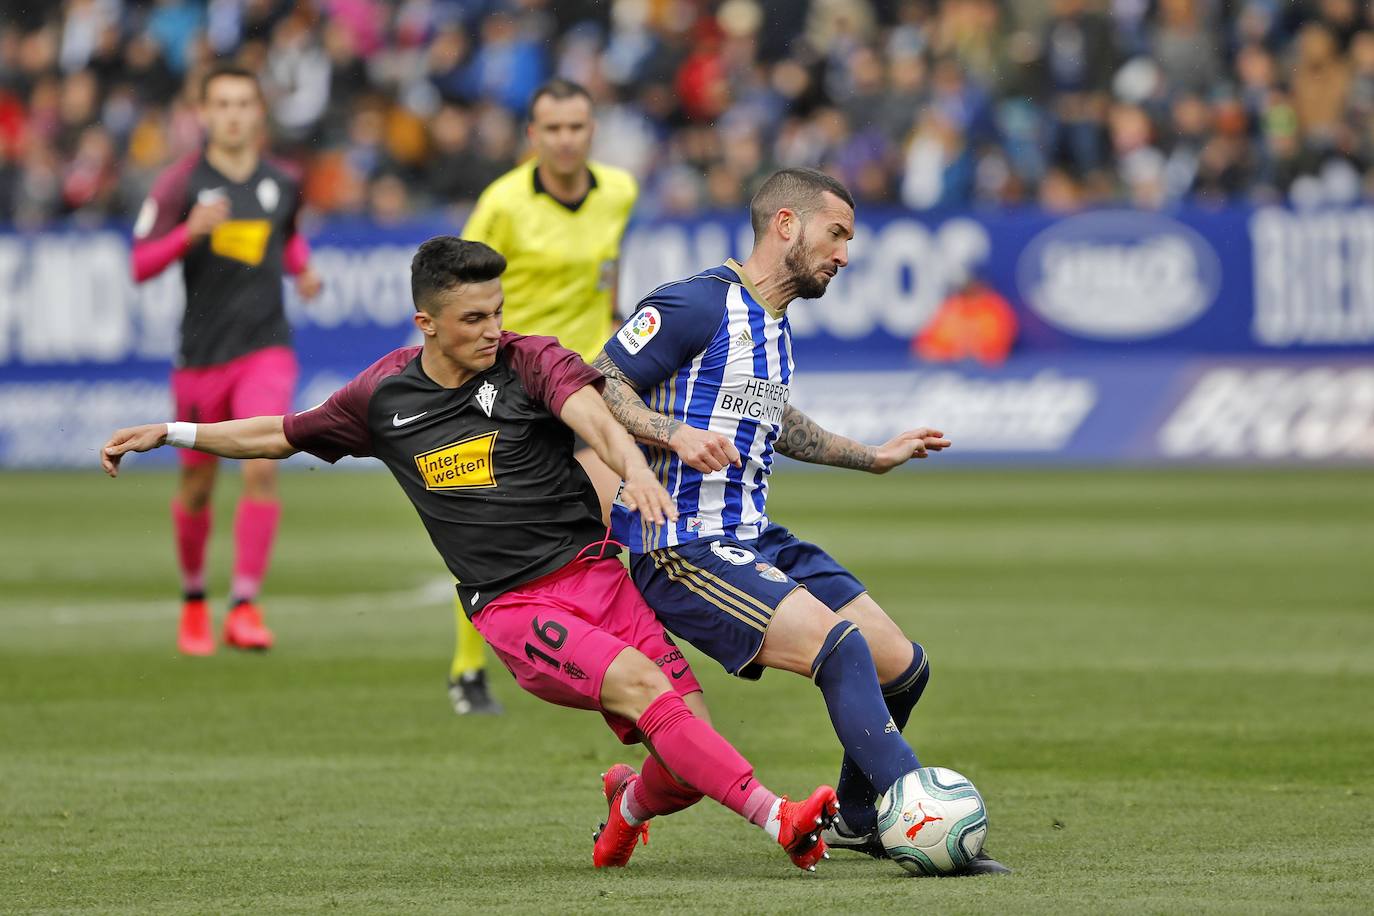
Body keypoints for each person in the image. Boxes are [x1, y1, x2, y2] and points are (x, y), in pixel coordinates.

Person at [101, 236, 839, 873]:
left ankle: (628, 802)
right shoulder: (382, 398)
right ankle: (780, 818)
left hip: (598, 577)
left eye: (498, 312)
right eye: (474, 318)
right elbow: (282, 433)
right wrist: (174, 432)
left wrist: (637, 465)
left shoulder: (530, 362)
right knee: (648, 689)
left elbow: (593, 415)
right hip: (514, 606)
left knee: (685, 758)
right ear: (426, 322)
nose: (494, 330)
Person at [592, 168, 1010, 875]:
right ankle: (921, 813)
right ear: (786, 224)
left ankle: (855, 819)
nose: (845, 253)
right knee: (840, 647)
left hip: (754, 534)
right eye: (836, 233)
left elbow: (773, 419)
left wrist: (870, 457)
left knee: (903, 667)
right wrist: (670, 433)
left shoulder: (774, 324)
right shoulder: (696, 303)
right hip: (684, 545)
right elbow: (598, 378)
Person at [445, 77, 638, 715]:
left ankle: (610, 648)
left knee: (604, 515)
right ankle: (468, 669)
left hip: (585, 379)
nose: (564, 140)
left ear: (592, 131)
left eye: (576, 127)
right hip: (513, 380)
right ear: (532, 136)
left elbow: (608, 275)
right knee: (493, 528)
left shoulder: (619, 191)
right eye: (551, 129)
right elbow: (457, 285)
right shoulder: (502, 203)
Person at [130, 63, 322, 656]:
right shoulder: (178, 186)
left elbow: (284, 235)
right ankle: (194, 601)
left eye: (244, 103)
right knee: (196, 484)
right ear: (205, 113)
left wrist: (302, 268)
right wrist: (185, 233)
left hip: (265, 350)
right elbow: (139, 265)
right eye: (223, 104)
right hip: (200, 356)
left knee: (263, 463)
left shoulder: (282, 182)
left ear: (258, 113)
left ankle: (243, 605)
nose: (235, 114)